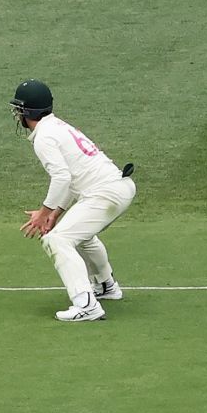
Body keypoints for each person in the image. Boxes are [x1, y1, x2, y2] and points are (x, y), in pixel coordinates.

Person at [11, 79, 136, 323]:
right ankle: (106, 286)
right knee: (80, 235)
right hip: (117, 188)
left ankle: (86, 304)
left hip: (105, 193)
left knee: (57, 240)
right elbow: (70, 178)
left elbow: (61, 177)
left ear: (27, 113)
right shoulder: (56, 126)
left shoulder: (44, 137)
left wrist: (43, 212)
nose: (17, 115)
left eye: (19, 110)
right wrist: (55, 214)